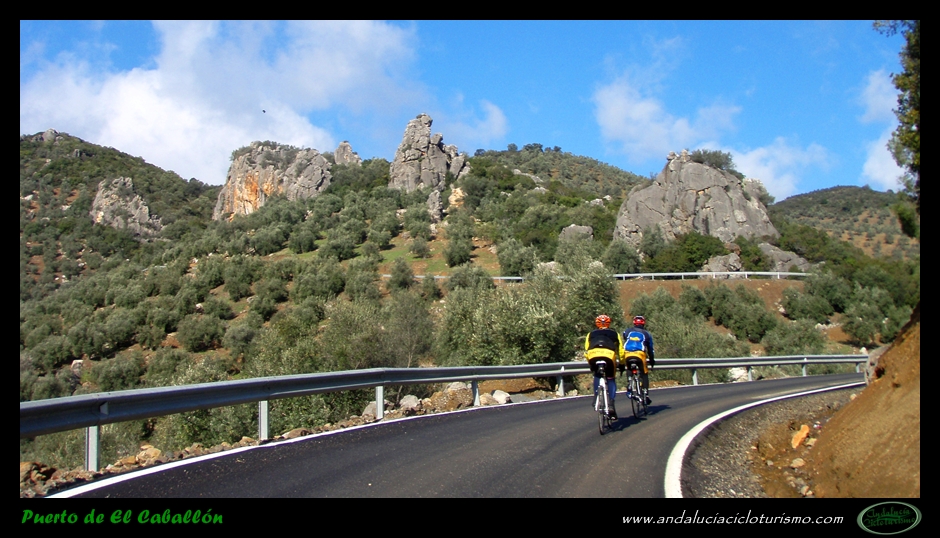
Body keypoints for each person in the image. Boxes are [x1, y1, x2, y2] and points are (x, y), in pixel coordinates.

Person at [584, 314, 625, 419]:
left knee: (597, 375)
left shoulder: (590, 334)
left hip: (593, 355)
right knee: (611, 378)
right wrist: (622, 363)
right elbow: (621, 351)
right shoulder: (614, 334)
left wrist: (590, 364)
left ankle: (596, 398)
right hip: (609, 356)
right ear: (609, 323)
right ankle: (610, 403)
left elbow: (586, 350)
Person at [622, 315, 655, 405]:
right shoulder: (647, 334)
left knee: (629, 367)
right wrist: (652, 360)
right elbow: (650, 349)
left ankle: (629, 383)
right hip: (640, 354)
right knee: (644, 373)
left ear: (634, 323)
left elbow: (624, 336)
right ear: (644, 323)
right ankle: (646, 394)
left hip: (628, 353)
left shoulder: (628, 331)